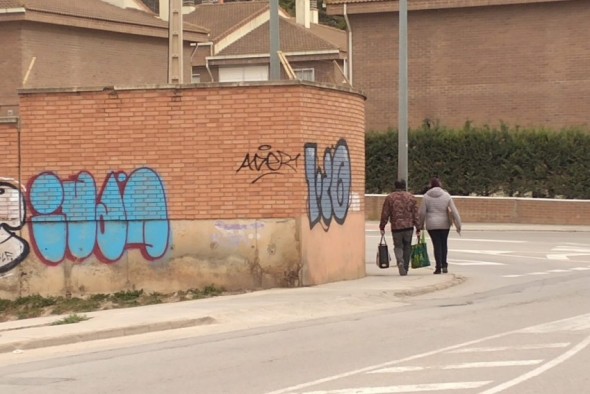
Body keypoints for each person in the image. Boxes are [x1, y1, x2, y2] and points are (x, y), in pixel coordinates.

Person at [419, 177, 462, 274]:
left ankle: (438, 267)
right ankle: (444, 265)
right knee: (444, 244)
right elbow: (454, 211)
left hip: (431, 224)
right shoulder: (446, 196)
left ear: (431, 185)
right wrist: (458, 225)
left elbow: (422, 213)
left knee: (436, 245)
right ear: (440, 184)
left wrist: (420, 225)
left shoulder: (426, 196)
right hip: (444, 224)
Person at [379, 179, 421, 276]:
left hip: (396, 227)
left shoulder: (390, 198)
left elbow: (385, 213)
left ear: (395, 186)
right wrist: (418, 227)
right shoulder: (411, 197)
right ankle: (405, 267)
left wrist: (382, 226)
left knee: (398, 246)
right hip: (409, 227)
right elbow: (416, 214)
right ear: (404, 186)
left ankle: (400, 261)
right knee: (407, 246)